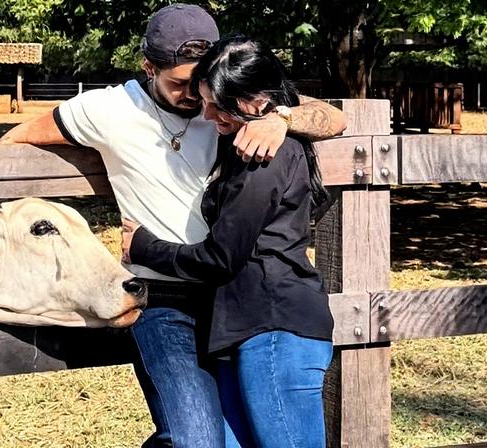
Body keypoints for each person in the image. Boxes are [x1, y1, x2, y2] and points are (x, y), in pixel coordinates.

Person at [0, 5, 346, 447]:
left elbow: (335, 118)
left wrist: (280, 118)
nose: (195, 99)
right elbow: (10, 145)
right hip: (163, 298)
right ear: (149, 67)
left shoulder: (223, 100)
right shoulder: (108, 109)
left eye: (201, 84)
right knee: (196, 440)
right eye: (179, 84)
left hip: (228, 299)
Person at [121, 36, 334, 448]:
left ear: (256, 100)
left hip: (274, 327)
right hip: (247, 331)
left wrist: (144, 247)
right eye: (204, 101)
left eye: (217, 105)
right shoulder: (245, 142)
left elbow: (221, 257)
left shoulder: (265, 156)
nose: (207, 114)